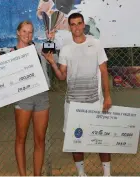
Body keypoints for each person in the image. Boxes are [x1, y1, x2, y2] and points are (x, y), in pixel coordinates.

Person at [42, 13, 112, 176]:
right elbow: (61, 76)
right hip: (73, 104)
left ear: (83, 25)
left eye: (79, 23)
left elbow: (104, 71)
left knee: (100, 140)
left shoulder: (96, 44)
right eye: (73, 24)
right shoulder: (66, 49)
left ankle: (107, 174)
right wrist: (52, 62)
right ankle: (81, 173)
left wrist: (107, 96)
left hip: (95, 102)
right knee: (76, 140)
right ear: (69, 27)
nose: (76, 27)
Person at [0, 21, 53, 176]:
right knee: (21, 138)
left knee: (40, 139)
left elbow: (51, 51)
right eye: (24, 31)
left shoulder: (39, 48)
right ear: (18, 32)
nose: (27, 35)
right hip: (22, 98)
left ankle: (37, 175)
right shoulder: (10, 54)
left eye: (30, 32)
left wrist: (51, 40)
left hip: (41, 97)